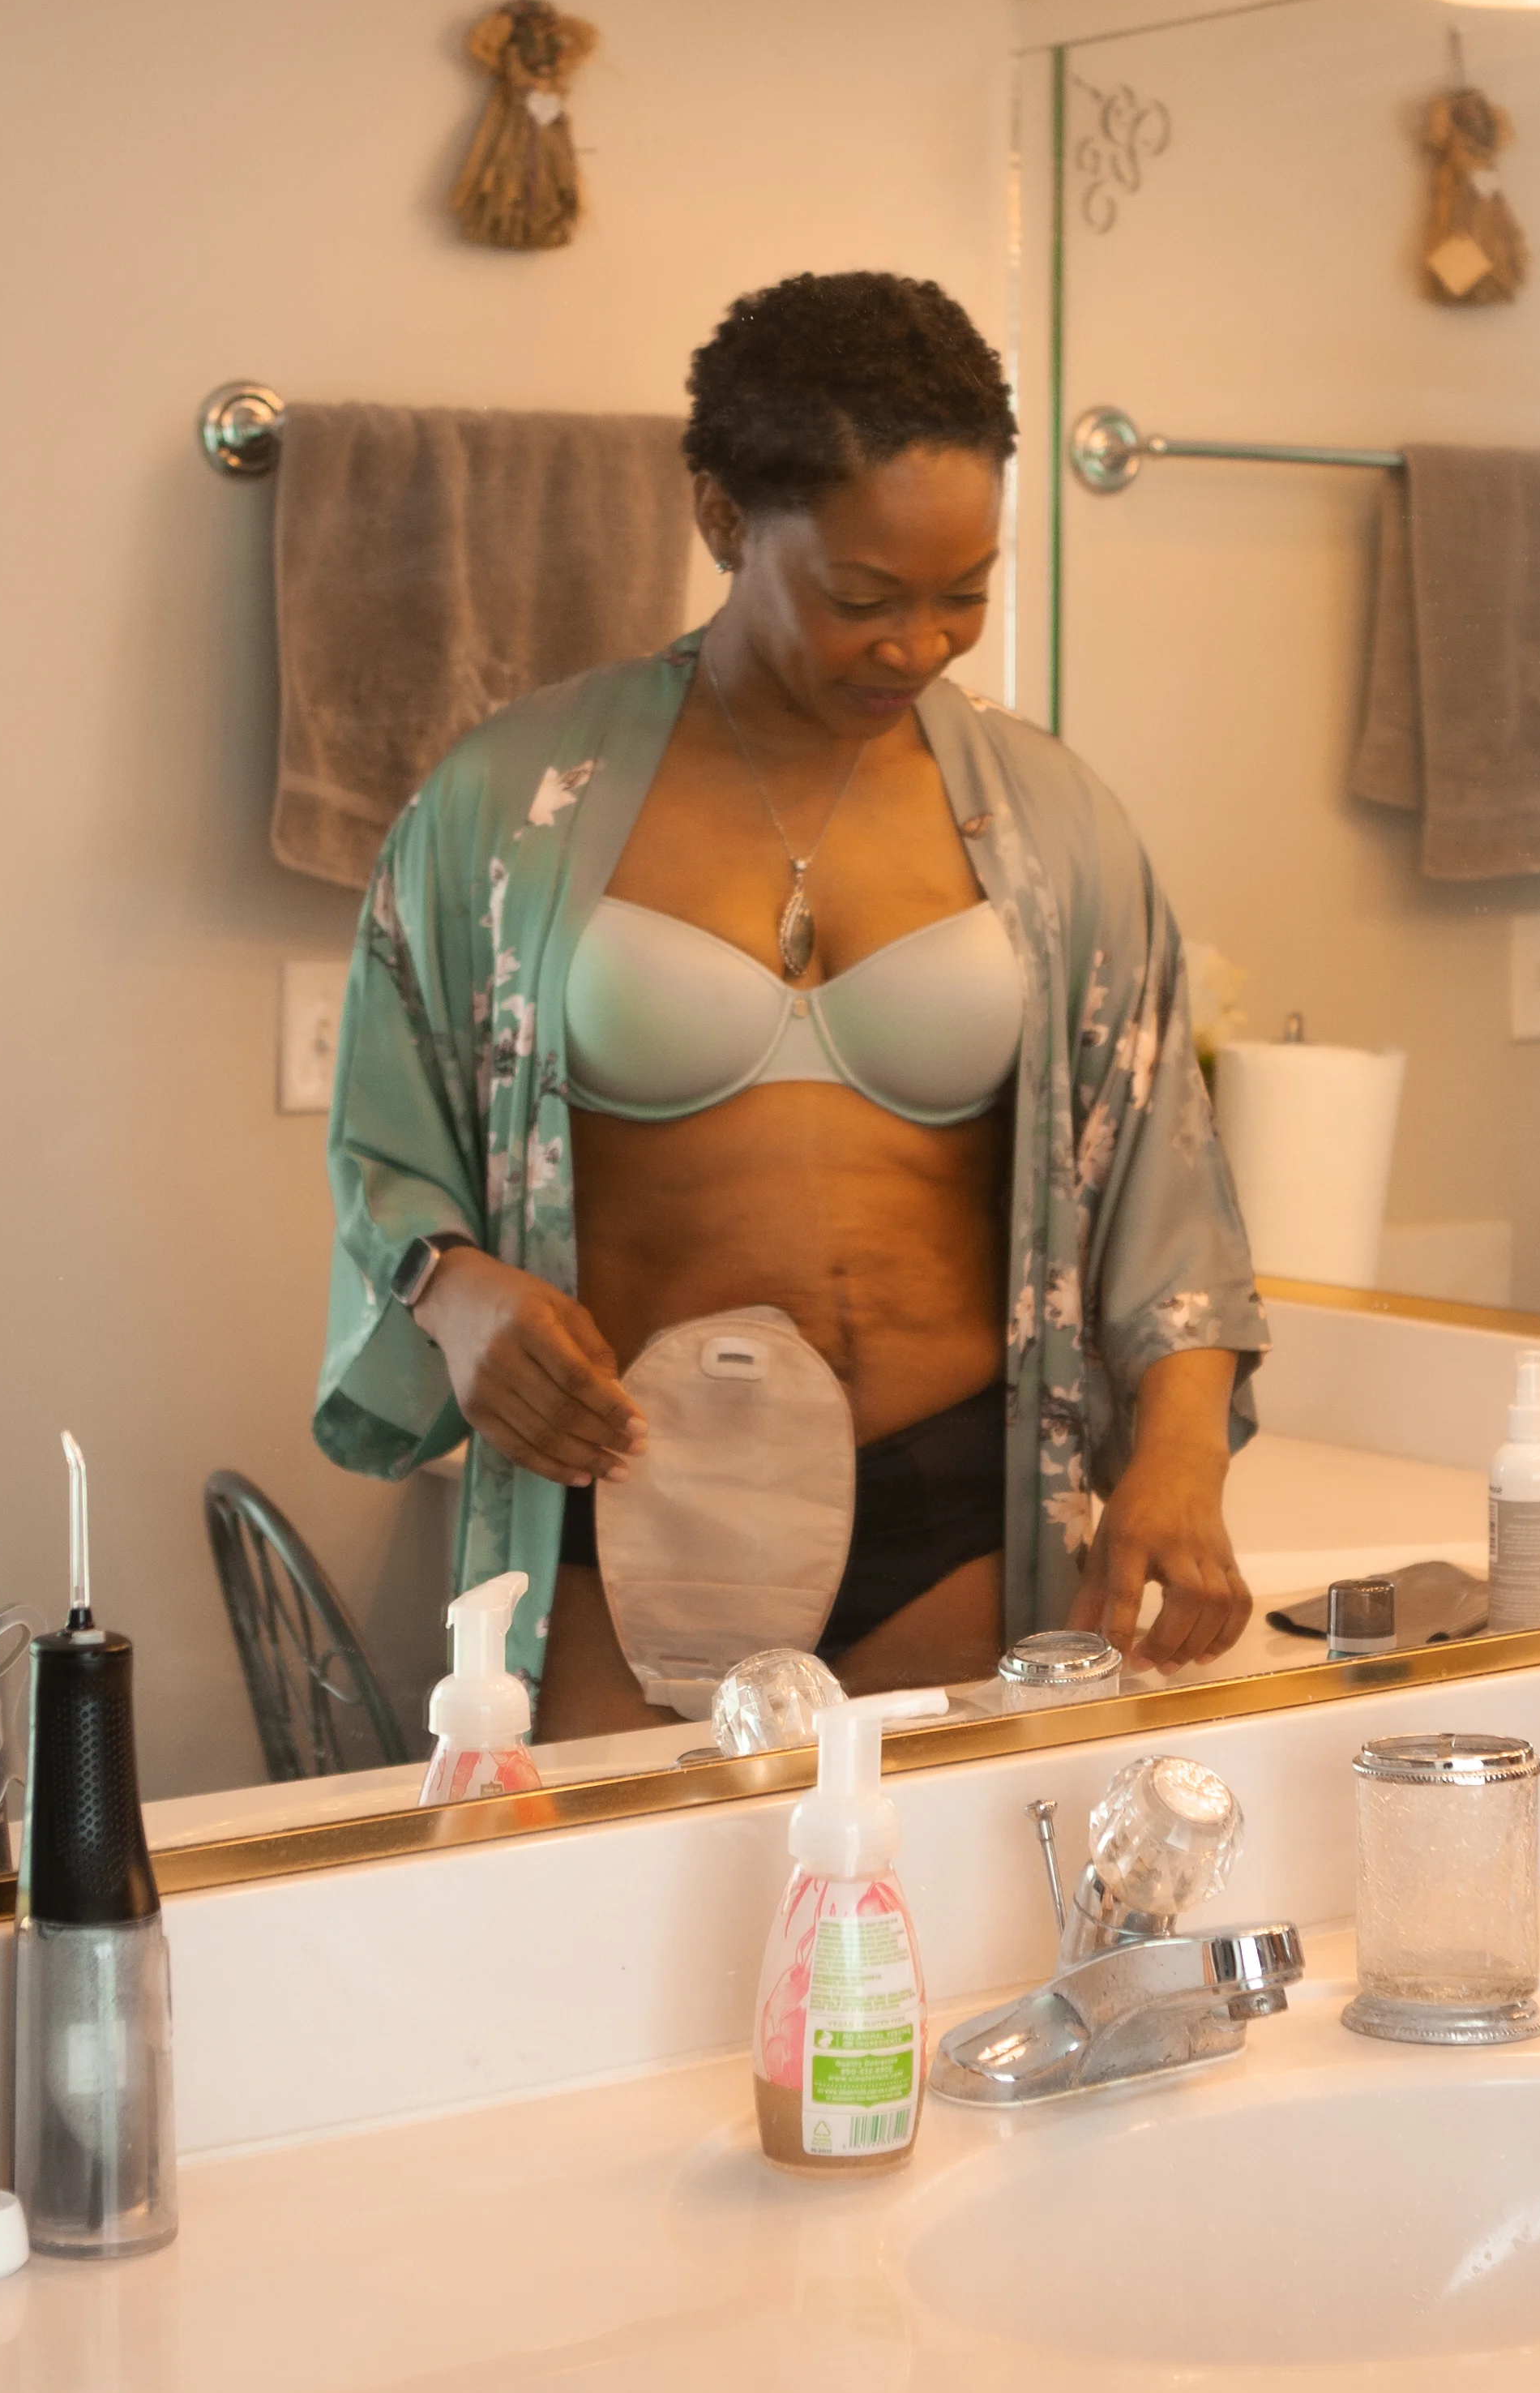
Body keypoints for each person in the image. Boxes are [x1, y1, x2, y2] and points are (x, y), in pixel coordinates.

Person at [316, 272, 1267, 1732]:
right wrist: (455, 1292)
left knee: (942, 1879)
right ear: (721, 517)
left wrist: (1181, 1457)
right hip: (629, 1497)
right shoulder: (510, 802)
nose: (916, 646)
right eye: (862, 597)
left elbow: (1163, 1173)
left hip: (954, 1512)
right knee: (623, 1882)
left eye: (964, 594)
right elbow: (386, 1140)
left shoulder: (1053, 823)